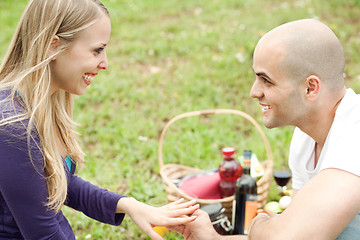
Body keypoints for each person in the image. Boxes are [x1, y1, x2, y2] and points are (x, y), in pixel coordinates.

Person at [0, 0, 199, 239]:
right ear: (54, 46)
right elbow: (43, 233)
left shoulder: (39, 102)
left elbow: (56, 185)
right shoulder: (12, 127)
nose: (105, 63)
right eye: (97, 50)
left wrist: (130, 205)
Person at [169, 19, 360, 239]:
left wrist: (258, 223)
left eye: (266, 80)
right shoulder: (305, 139)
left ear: (310, 87)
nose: (254, 91)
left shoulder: (355, 135)